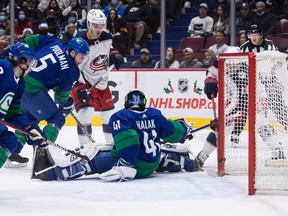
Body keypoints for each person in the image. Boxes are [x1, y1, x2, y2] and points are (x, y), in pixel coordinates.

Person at [31, 90, 200, 181]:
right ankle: (185, 162)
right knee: (162, 149)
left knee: (90, 155)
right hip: (152, 164)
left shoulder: (121, 117)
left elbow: (131, 144)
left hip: (134, 165)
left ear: (127, 103)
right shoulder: (155, 114)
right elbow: (172, 131)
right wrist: (184, 129)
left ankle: (51, 173)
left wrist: (125, 165)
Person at [20, 36, 90, 148]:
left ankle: (12, 152)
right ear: (72, 53)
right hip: (31, 90)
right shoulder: (72, 70)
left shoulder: (55, 42)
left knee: (29, 119)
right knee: (57, 118)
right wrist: (67, 104)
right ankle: (43, 152)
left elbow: (32, 40)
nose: (83, 61)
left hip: (20, 79)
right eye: (81, 57)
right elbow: (61, 96)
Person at [71, 9, 124, 147]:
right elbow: (73, 65)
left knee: (108, 115)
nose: (99, 29)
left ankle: (111, 145)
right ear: (89, 24)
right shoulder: (80, 40)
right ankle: (84, 147)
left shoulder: (106, 35)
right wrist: (80, 85)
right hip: (83, 80)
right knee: (85, 114)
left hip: (101, 82)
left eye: (102, 25)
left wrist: (114, 55)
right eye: (96, 26)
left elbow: (109, 48)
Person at [0, 43, 45, 168]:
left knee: (9, 141)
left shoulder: (19, 83)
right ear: (22, 61)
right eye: (30, 62)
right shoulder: (3, 67)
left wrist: (28, 128)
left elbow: (13, 112)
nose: (31, 67)